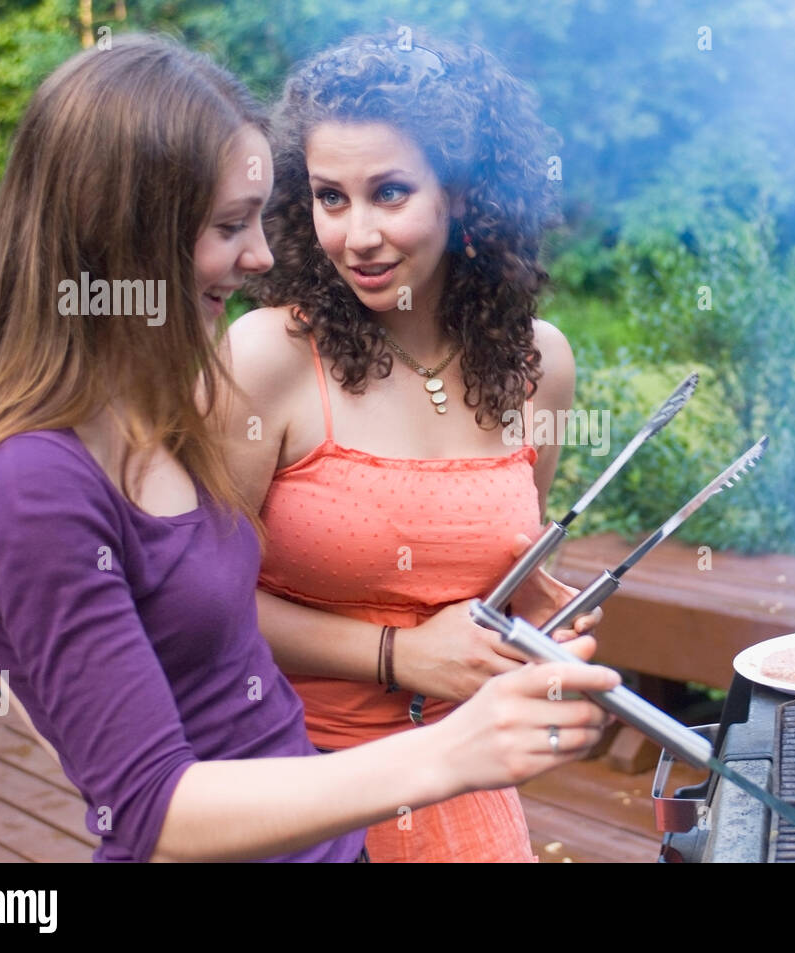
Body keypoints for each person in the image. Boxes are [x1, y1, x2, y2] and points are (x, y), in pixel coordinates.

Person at [0, 33, 616, 864]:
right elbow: (148, 804)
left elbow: (82, 646)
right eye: (229, 225)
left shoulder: (142, 415)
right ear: (123, 235)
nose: (263, 257)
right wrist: (447, 740)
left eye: (389, 192)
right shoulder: (33, 482)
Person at [223, 32, 596, 862]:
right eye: (330, 197)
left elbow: (493, 576)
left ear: (463, 196)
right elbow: (198, 600)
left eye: (389, 193)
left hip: (462, 794)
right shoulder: (267, 358)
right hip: (294, 791)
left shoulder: (540, 367)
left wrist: (533, 617)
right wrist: (400, 654)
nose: (355, 235)